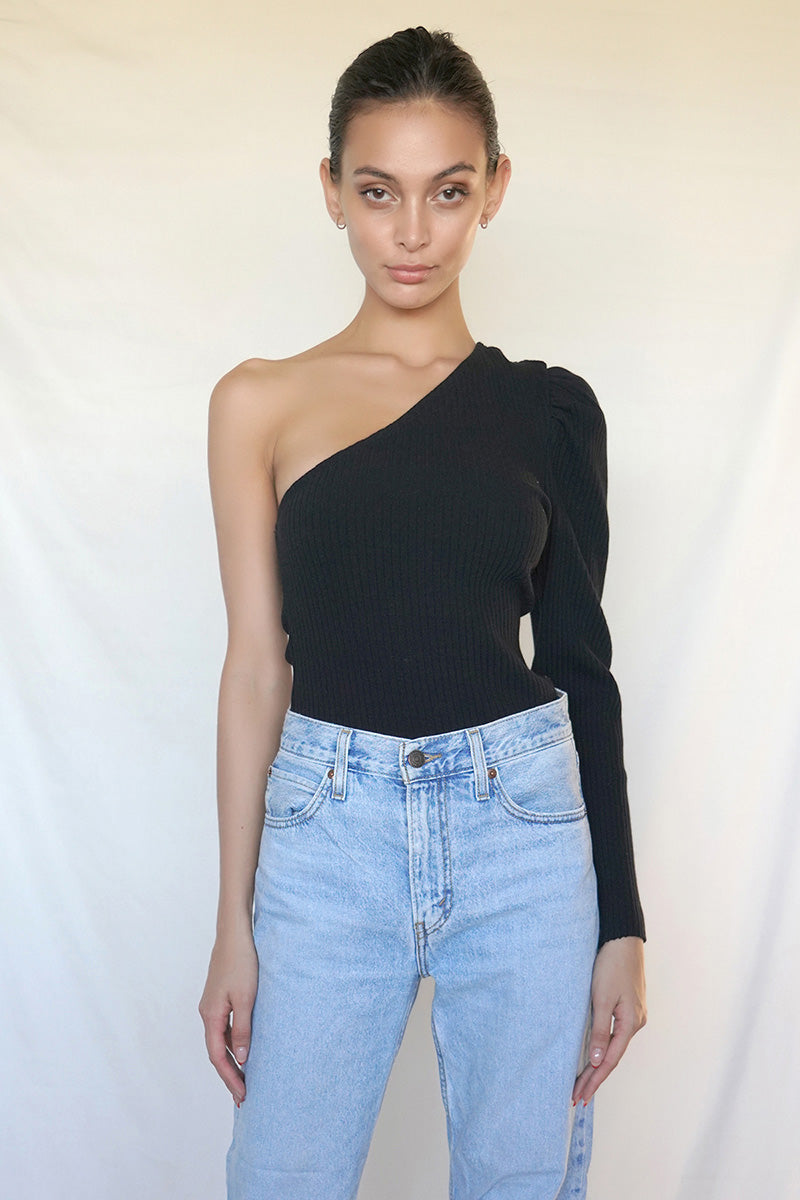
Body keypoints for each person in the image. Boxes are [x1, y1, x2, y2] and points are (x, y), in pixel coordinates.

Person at [199, 25, 647, 1200]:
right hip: (326, 834)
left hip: (523, 835)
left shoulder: (547, 411)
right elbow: (254, 669)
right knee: (282, 1175)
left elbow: (581, 669)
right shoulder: (259, 402)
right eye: (376, 191)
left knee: (517, 1178)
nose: (411, 232)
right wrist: (232, 920)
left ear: (492, 188)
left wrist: (620, 923)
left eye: (446, 191)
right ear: (330, 191)